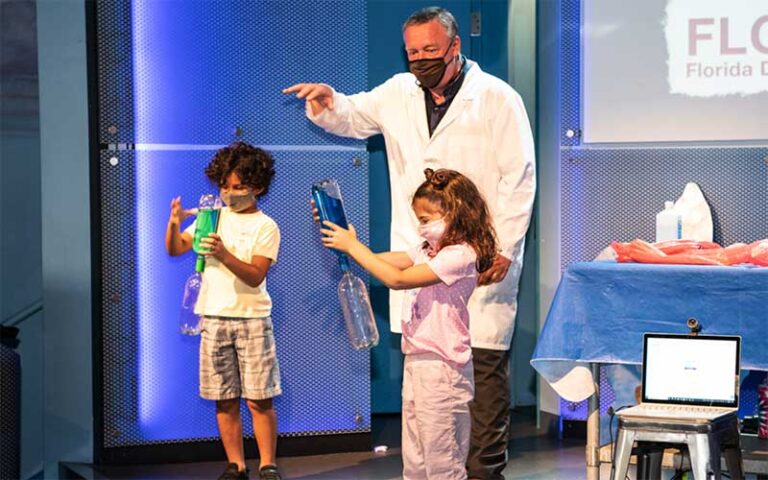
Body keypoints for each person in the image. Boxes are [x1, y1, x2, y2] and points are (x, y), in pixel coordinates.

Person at [283, 6, 535, 478]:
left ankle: (483, 472)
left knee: (480, 376)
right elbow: (354, 115)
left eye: (430, 51)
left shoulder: (497, 98)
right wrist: (328, 101)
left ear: (455, 48)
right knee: (425, 398)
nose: (419, 60)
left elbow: (519, 178)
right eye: (412, 51)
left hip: (478, 258)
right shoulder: (399, 92)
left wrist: (505, 248)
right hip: (422, 255)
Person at [321, 168, 497, 479]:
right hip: (417, 363)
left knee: (442, 460)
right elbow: (385, 261)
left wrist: (352, 247)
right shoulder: (428, 251)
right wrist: (347, 239)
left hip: (443, 370)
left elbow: (397, 278)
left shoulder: (459, 256)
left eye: (427, 220)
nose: (421, 228)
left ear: (455, 213)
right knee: (416, 460)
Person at [165, 142, 282, 480]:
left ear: (257, 187)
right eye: (225, 186)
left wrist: (224, 253)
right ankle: (236, 465)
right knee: (223, 397)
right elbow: (175, 249)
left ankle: (268, 464)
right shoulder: (209, 217)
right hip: (213, 318)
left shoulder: (266, 226)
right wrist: (173, 224)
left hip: (252, 319)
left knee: (259, 398)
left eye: (239, 187)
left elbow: (256, 274)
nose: (230, 194)